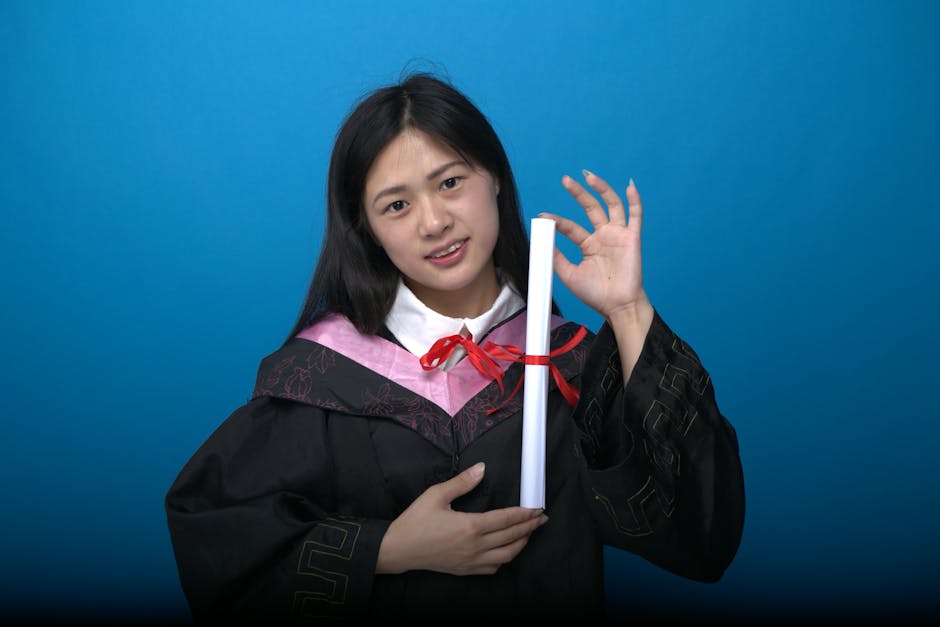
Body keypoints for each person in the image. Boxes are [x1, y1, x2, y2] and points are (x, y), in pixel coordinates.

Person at [165, 72, 745, 622]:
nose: (434, 222)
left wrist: (627, 309)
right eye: (397, 205)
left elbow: (700, 533)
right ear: (367, 229)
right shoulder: (324, 376)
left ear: (494, 176)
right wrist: (385, 550)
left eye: (450, 183)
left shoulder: (570, 366)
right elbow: (217, 551)